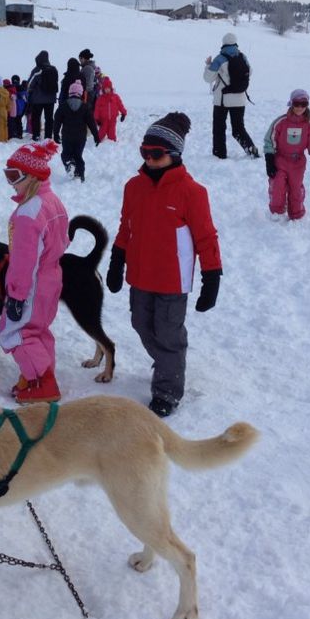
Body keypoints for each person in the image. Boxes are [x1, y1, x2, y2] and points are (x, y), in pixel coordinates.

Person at [105, 113, 223, 418]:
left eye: (156, 154)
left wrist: (212, 277)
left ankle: (168, 389)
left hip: (173, 281)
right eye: (144, 152)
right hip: (140, 276)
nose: (149, 159)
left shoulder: (192, 192)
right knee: (141, 325)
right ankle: (169, 364)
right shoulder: (134, 187)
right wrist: (117, 260)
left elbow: (206, 237)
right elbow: (125, 227)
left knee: (168, 335)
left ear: (174, 155)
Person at [0, 141, 70, 403]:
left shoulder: (28, 213)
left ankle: (43, 383)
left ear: (33, 176)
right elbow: (64, 238)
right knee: (37, 329)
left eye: (14, 176)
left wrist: (16, 296)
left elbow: (23, 261)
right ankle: (37, 374)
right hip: (51, 278)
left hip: (31, 283)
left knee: (15, 332)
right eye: (7, 175)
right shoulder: (51, 200)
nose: (11, 183)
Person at [263, 88, 310, 221]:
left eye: (304, 104)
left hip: (297, 163)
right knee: (277, 186)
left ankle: (296, 214)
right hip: (280, 160)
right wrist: (269, 159)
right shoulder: (281, 122)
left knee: (295, 188)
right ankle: (276, 213)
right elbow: (270, 140)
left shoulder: (309, 125)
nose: (300, 107)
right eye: (297, 103)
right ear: (291, 103)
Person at [203, 33, 259, 159]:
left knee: (219, 128)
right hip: (239, 99)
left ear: (223, 44)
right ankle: (251, 149)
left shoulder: (219, 58)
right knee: (238, 128)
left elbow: (208, 78)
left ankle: (219, 154)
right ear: (235, 43)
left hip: (222, 100)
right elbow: (249, 72)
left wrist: (208, 64)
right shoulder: (242, 56)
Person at [53, 80, 100, 182]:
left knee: (66, 154)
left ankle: (69, 164)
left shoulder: (63, 106)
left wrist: (55, 134)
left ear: (70, 93)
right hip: (80, 137)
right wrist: (96, 136)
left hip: (67, 136)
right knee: (78, 155)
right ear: (81, 93)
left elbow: (57, 121)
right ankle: (80, 175)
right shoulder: (85, 107)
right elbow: (91, 123)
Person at [26, 50, 58, 141]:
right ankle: (48, 136)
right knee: (49, 118)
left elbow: (29, 84)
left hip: (38, 99)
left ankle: (36, 135)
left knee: (36, 117)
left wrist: (30, 91)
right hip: (51, 99)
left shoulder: (37, 70)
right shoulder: (54, 69)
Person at [93, 76, 127, 142]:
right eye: (105, 88)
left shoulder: (115, 97)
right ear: (103, 89)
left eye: (108, 88)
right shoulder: (100, 99)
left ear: (111, 88)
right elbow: (97, 109)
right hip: (103, 120)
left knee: (112, 133)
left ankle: (112, 143)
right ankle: (98, 141)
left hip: (112, 119)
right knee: (101, 132)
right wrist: (97, 119)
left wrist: (123, 113)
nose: (107, 90)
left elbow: (120, 105)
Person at [0, 77, 11, 143]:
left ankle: (1, 139)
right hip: (4, 110)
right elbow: (9, 103)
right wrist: (8, 109)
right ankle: (5, 138)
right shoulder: (6, 92)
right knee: (5, 125)